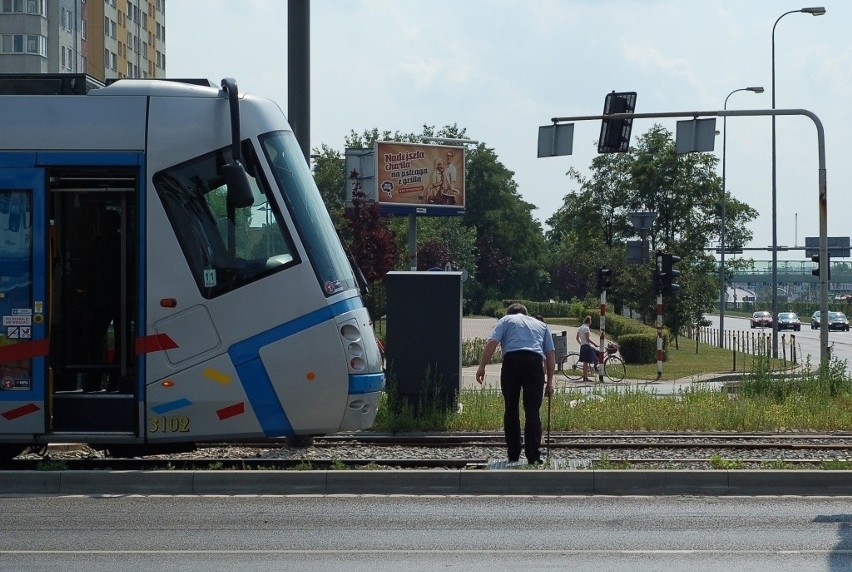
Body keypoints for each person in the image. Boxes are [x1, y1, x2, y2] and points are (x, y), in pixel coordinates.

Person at [475, 303, 555, 464]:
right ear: (527, 313)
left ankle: (513, 454)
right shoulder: (541, 324)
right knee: (532, 410)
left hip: (512, 362)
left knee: (511, 409)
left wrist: (482, 366)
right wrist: (550, 381)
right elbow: (550, 353)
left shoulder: (506, 320)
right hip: (534, 362)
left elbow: (492, 342)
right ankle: (533, 456)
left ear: (509, 312)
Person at [576, 315, 599, 383]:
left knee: (586, 362)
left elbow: (577, 338)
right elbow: (587, 339)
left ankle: (586, 376)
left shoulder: (580, 328)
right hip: (586, 346)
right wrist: (594, 344)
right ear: (589, 321)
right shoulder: (586, 328)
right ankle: (586, 376)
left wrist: (581, 343)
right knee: (589, 361)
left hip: (583, 346)